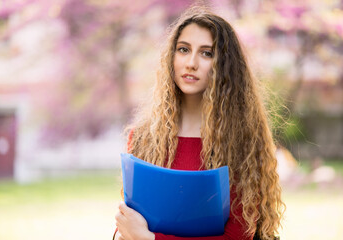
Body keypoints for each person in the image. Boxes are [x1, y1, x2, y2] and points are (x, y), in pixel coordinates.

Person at [114, 5, 284, 240]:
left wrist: (150, 239)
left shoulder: (243, 141)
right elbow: (128, 224)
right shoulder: (143, 137)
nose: (191, 62)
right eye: (183, 50)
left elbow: (236, 236)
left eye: (207, 53)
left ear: (224, 67)